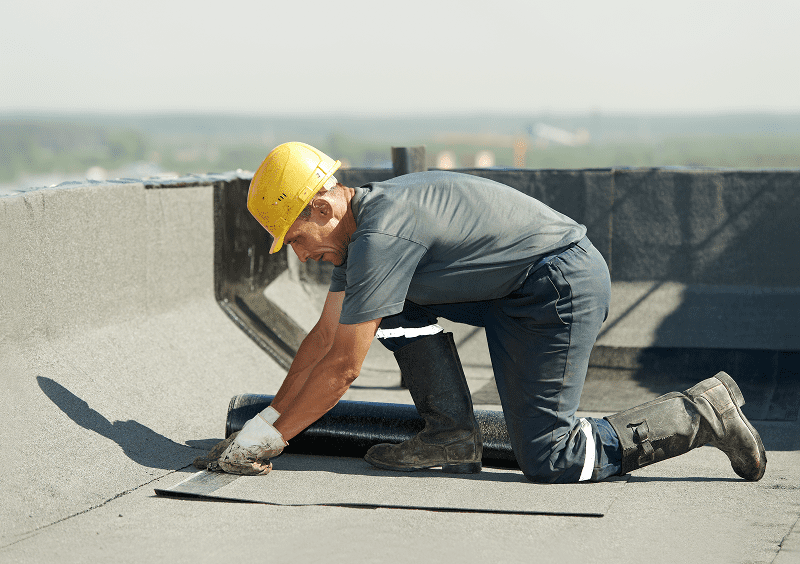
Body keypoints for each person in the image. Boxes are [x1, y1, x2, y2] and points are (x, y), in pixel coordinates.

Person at [197, 141, 766, 483]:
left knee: (550, 457)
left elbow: (343, 369)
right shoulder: (359, 237)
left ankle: (698, 415)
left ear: (323, 205)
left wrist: (271, 442)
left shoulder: (382, 233)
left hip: (557, 287)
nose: (302, 255)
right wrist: (264, 422)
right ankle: (451, 433)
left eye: (297, 239)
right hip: (512, 289)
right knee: (383, 308)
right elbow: (323, 342)